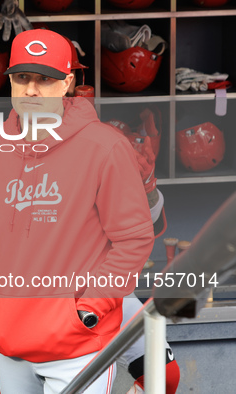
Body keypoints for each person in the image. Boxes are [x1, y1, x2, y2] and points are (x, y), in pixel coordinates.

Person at [0, 28, 155, 393]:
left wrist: (91, 308)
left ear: (67, 83)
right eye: (22, 78)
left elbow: (133, 239)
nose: (32, 90)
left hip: (78, 345)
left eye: (45, 80)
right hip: (11, 340)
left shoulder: (105, 148)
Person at [63, 34, 180, 394]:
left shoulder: (106, 143)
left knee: (163, 378)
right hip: (53, 298)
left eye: (70, 81)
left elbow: (149, 228)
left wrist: (145, 187)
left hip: (107, 291)